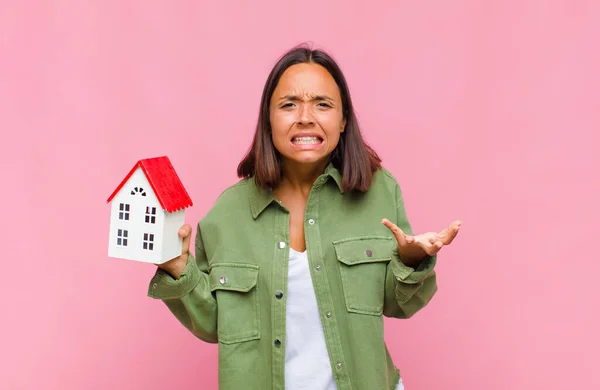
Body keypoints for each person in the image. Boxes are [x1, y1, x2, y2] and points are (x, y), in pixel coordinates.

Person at [147, 44, 461, 390]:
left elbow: (398, 305)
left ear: (343, 120)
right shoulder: (229, 213)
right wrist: (178, 271)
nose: (306, 117)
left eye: (322, 104)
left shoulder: (379, 192)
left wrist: (411, 260)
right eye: (289, 105)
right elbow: (212, 325)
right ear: (269, 119)